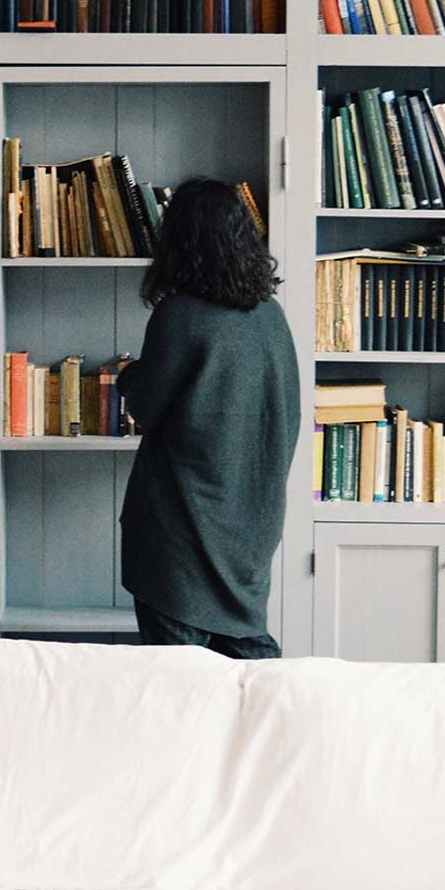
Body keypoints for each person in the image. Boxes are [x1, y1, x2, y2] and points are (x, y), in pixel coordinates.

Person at [117, 177, 300, 658]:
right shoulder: (270, 314)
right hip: (251, 523)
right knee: (249, 673)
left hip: (182, 527)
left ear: (180, 241)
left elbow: (144, 408)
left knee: (182, 685)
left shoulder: (180, 314)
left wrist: (127, 375)